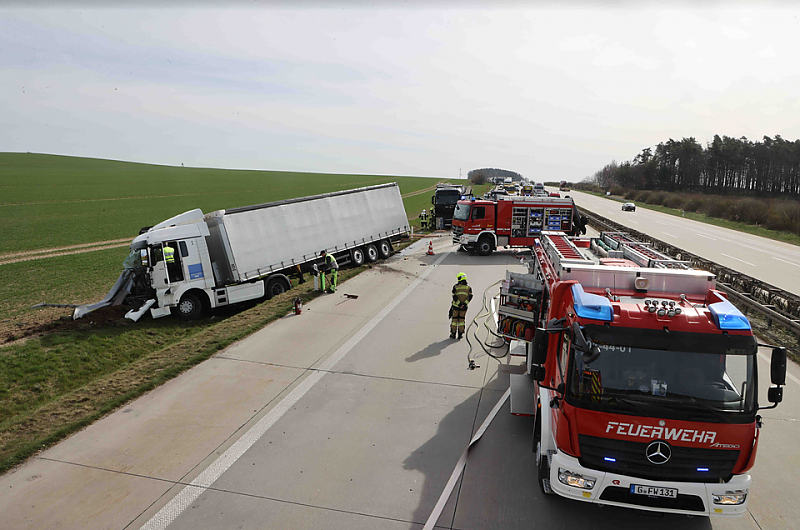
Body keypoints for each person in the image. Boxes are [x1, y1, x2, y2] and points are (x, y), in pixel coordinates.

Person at [449, 271, 473, 339]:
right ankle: (460, 334)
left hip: (456, 307)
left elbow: (454, 297)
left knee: (454, 320)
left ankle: (453, 334)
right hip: (464, 308)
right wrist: (464, 304)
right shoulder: (468, 288)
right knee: (461, 320)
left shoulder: (455, 287)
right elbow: (470, 297)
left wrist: (459, 304)